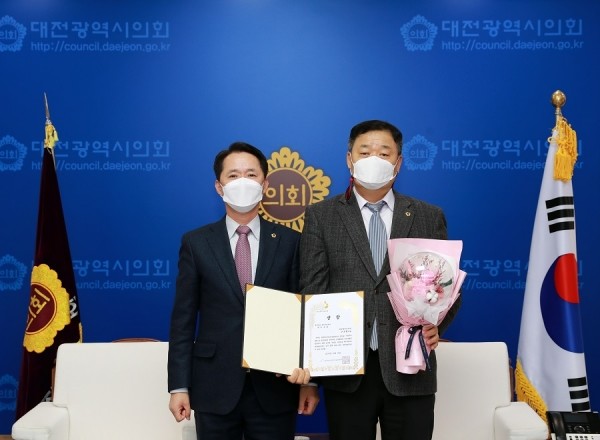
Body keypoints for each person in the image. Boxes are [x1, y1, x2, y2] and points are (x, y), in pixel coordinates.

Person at [299, 120, 461, 440]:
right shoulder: (322, 216)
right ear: (349, 159)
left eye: (384, 153)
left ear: (398, 163)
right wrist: (311, 374)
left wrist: (435, 326)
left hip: (410, 368)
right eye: (365, 152)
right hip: (346, 371)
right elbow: (313, 293)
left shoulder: (428, 216)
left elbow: (448, 285)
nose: (374, 159)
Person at [168, 142, 319, 440]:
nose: (243, 182)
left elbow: (304, 314)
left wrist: (309, 382)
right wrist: (179, 386)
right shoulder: (196, 243)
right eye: (233, 175)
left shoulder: (291, 241)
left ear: (265, 184)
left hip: (276, 387)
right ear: (219, 186)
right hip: (214, 385)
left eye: (251, 175)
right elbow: (182, 320)